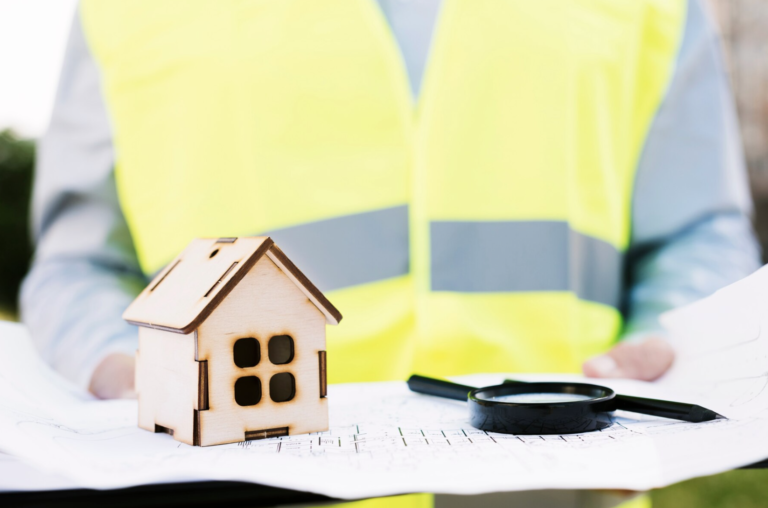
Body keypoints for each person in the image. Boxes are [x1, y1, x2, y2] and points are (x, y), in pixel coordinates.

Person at [22, 1, 760, 506]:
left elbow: (698, 231)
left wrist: (669, 337)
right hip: (229, 486)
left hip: (555, 492)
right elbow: (77, 265)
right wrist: (118, 369)